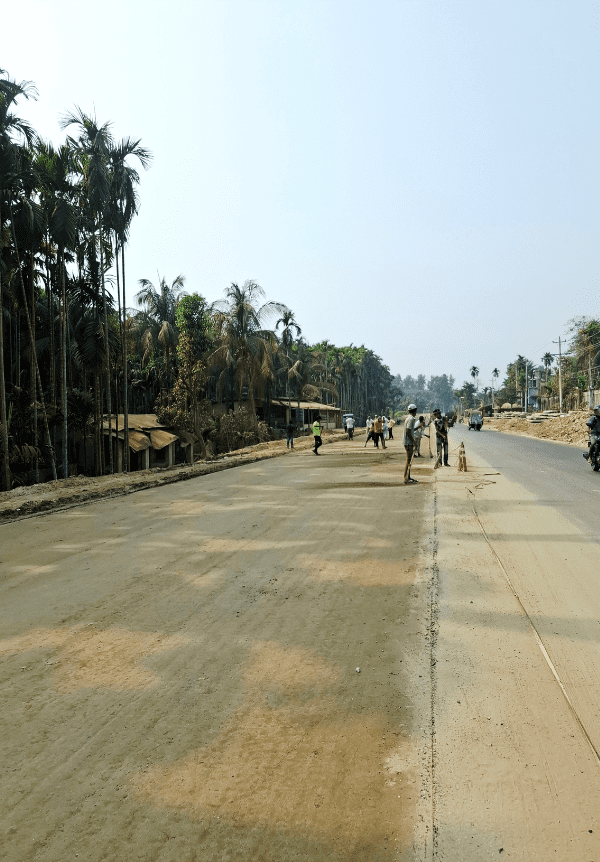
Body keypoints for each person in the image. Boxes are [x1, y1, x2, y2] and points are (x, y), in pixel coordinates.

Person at [404, 404, 418, 483]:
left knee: (409, 460)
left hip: (407, 442)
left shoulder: (408, 418)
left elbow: (410, 430)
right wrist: (414, 442)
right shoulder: (411, 419)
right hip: (408, 442)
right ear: (415, 411)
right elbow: (408, 431)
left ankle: (408, 477)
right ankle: (406, 477)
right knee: (409, 460)